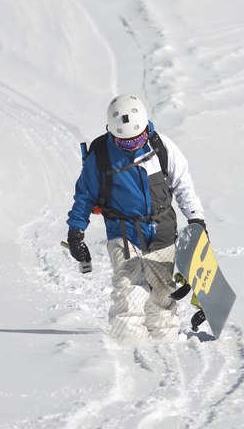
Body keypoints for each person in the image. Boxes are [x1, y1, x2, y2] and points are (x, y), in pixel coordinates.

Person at [66, 94, 207, 341]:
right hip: (122, 232)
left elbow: (183, 185)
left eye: (136, 138)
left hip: (162, 230)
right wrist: (76, 232)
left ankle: (166, 343)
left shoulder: (162, 146)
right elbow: (85, 195)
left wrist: (196, 220)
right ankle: (128, 348)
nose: (131, 144)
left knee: (163, 295)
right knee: (128, 290)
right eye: (124, 140)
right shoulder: (100, 154)